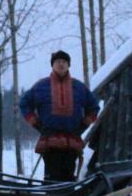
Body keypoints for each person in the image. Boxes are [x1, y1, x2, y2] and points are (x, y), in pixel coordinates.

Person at [20, 51, 99, 182]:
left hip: (72, 141)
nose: (61, 64)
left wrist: (83, 126)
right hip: (50, 141)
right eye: (58, 62)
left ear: (68, 65)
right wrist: (37, 124)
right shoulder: (41, 86)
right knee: (52, 179)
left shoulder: (79, 87)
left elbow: (94, 107)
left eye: (64, 62)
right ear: (52, 65)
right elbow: (24, 104)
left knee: (68, 178)